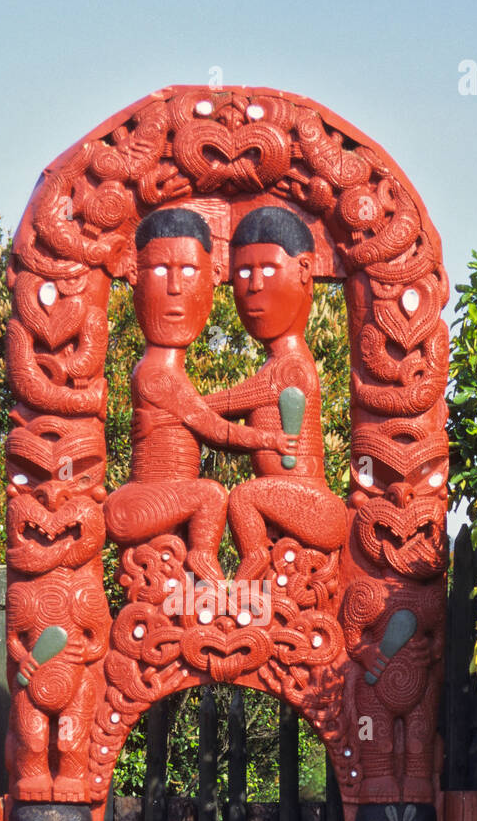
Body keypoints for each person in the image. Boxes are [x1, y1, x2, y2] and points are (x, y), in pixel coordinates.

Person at [103, 208, 296, 583]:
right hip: (135, 506)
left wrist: (184, 413)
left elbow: (200, 414)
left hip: (154, 502)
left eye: (189, 271)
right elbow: (213, 429)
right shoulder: (157, 375)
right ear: (133, 276)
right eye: (160, 271)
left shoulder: (170, 377)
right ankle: (204, 566)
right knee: (211, 494)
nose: (175, 287)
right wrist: (269, 439)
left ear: (213, 279)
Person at [204, 206, 347, 579]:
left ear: (303, 270)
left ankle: (254, 559)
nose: (253, 285)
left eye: (268, 269)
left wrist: (182, 406)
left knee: (242, 496)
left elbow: (225, 405)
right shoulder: (275, 365)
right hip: (291, 503)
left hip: (314, 505)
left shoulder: (290, 367)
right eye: (242, 272)